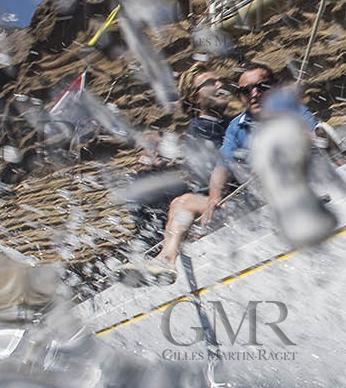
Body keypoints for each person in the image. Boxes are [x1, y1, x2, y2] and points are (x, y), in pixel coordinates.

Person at [131, 62, 319, 281]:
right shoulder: (204, 132)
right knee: (181, 203)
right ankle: (165, 259)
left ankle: (165, 258)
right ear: (194, 98)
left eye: (219, 80)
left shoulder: (233, 122)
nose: (220, 84)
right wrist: (215, 196)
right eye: (210, 83)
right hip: (235, 204)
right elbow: (219, 171)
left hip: (268, 192)